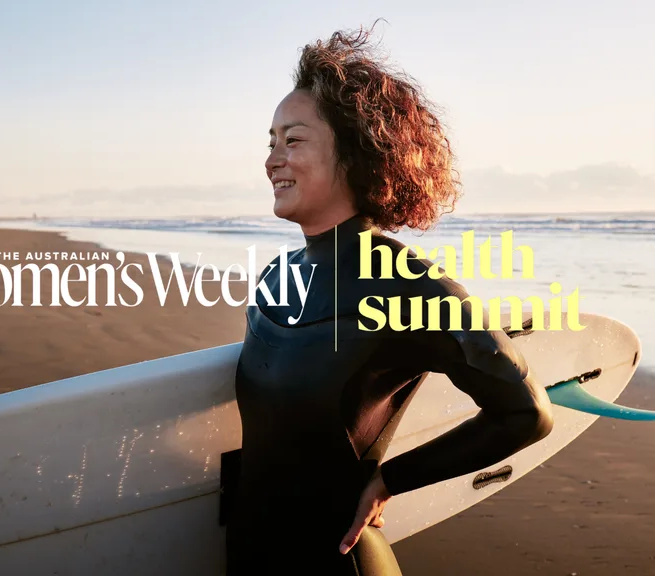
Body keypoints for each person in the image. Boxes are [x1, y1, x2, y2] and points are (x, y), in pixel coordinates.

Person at [225, 24, 555, 575]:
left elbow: (525, 414)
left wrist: (391, 479)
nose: (272, 160)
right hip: (250, 554)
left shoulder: (409, 286)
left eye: (293, 141)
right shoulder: (277, 276)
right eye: (271, 142)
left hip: (337, 558)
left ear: (354, 154)